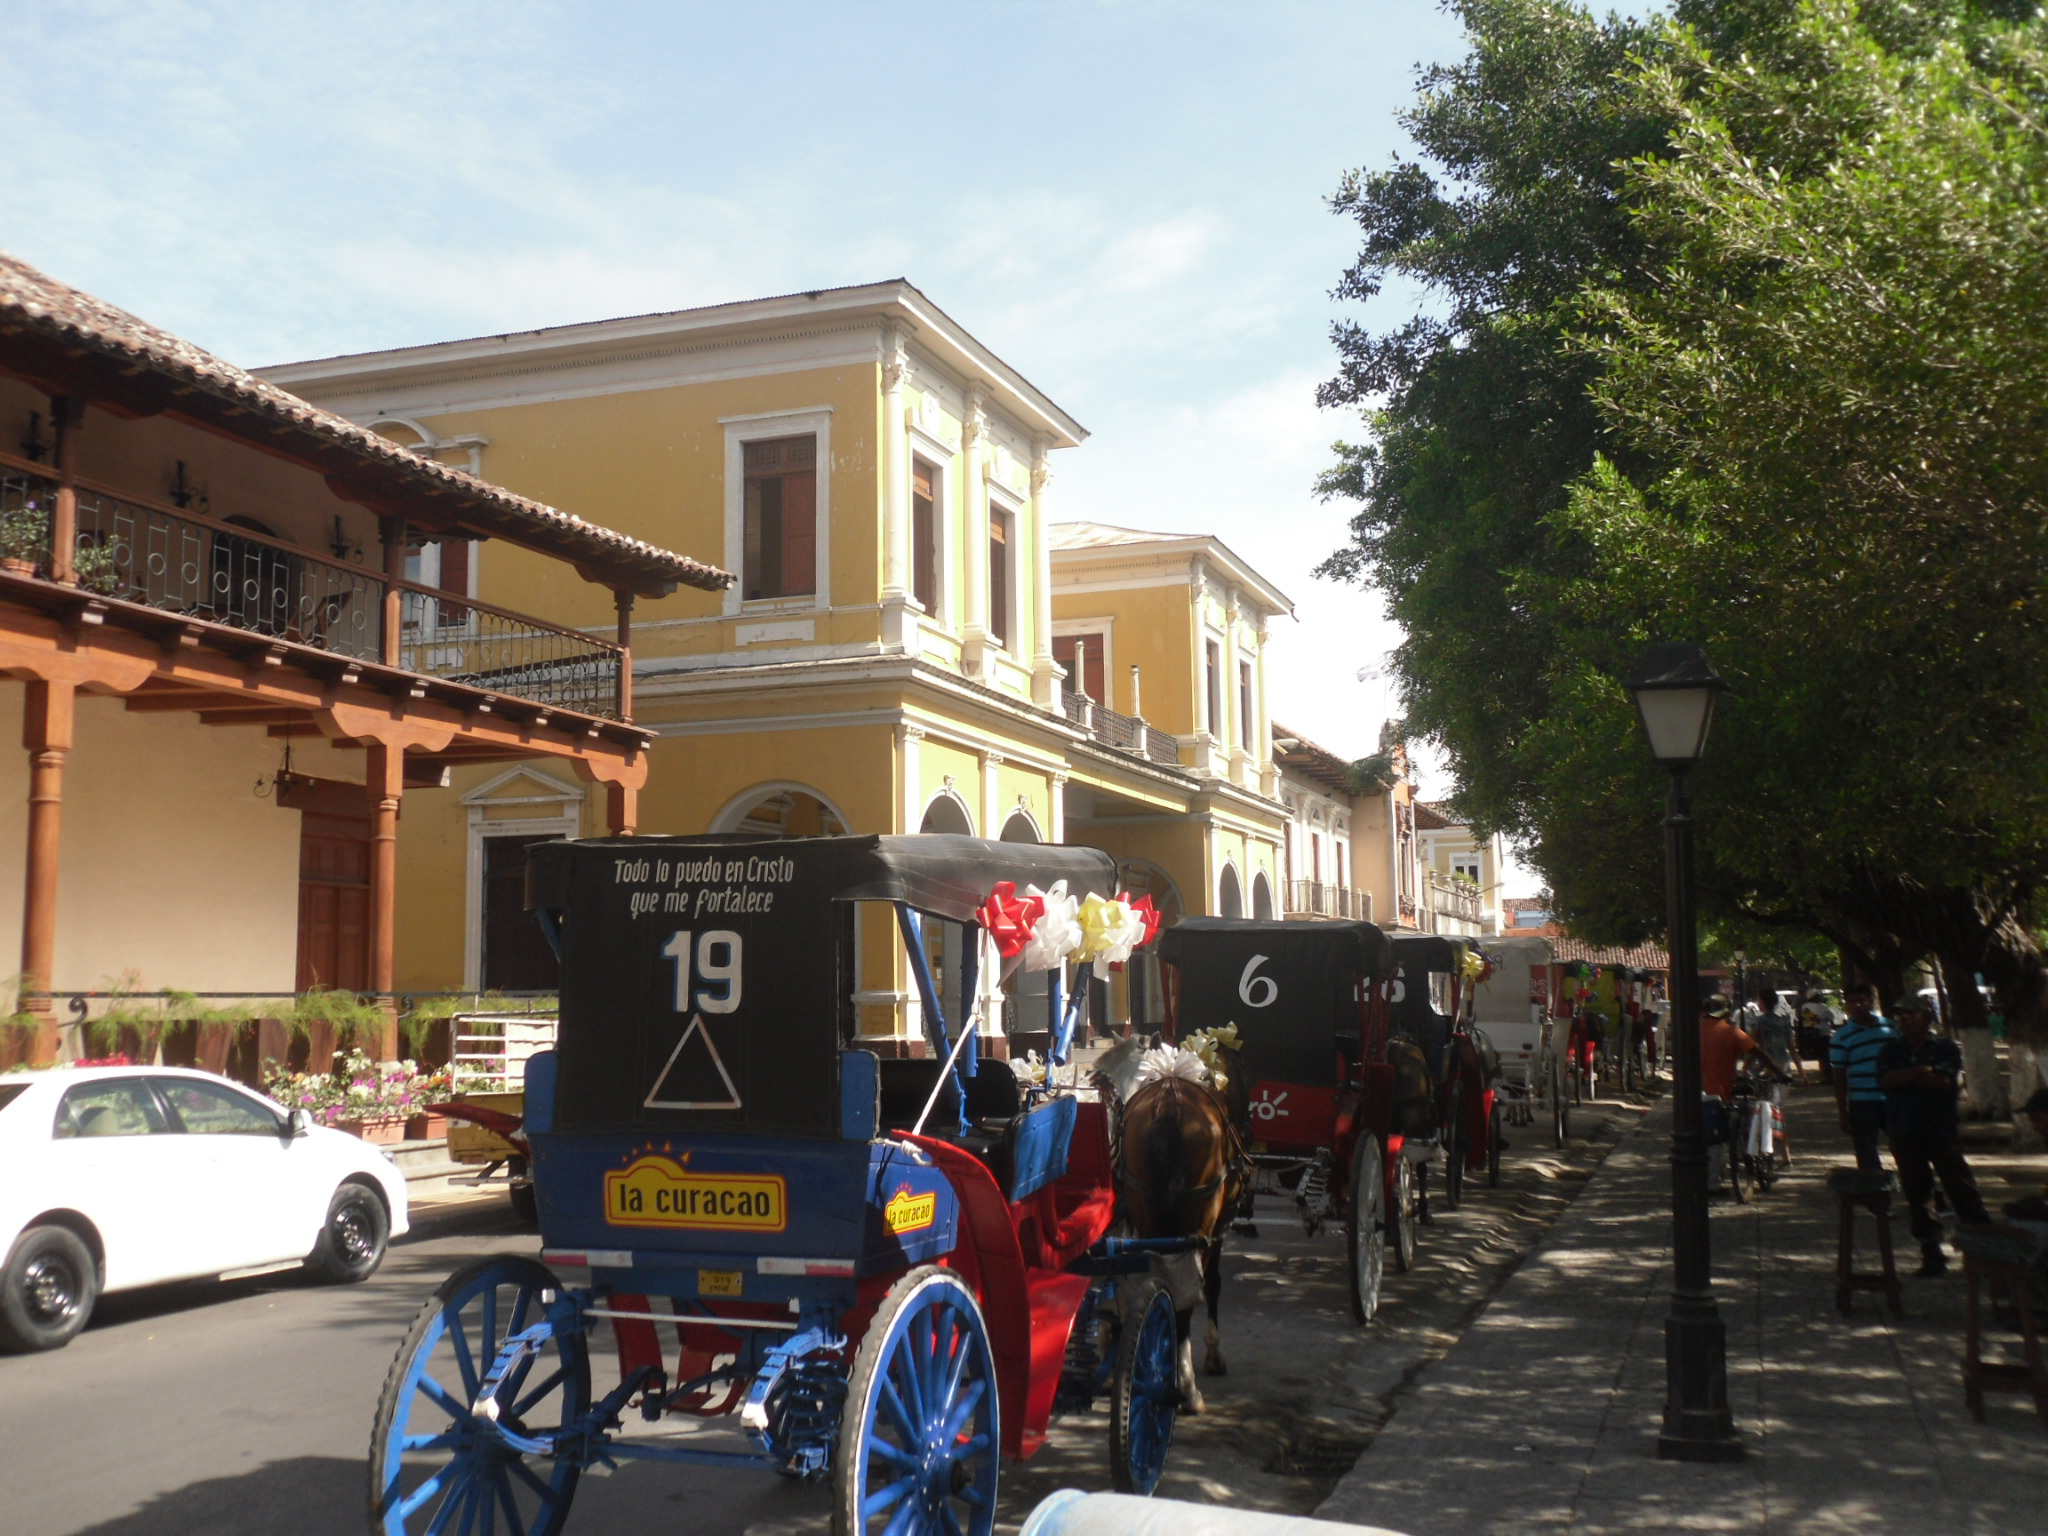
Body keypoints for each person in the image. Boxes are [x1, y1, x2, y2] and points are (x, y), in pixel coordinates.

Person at [1875, 995, 1990, 1275]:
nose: (1905, 1021)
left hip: (1941, 1131)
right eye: (1900, 1016)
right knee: (1918, 1197)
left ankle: (1985, 1256)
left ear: (1926, 1018)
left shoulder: (1945, 1048)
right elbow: (1885, 1080)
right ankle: (1932, 1256)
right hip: (1904, 1131)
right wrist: (1918, 1071)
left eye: (1911, 1015)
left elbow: (1944, 1082)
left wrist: (1907, 1078)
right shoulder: (1890, 1050)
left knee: (1963, 1192)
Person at [1830, 983, 1897, 1171]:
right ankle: (1875, 1194)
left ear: (1871, 1002)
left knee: (1905, 1146)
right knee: (1866, 1152)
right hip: (1862, 1101)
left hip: (1892, 1097)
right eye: (1851, 1002)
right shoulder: (1841, 1037)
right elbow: (1839, 1076)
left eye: (1861, 1001)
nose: (1857, 1005)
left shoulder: (1891, 1028)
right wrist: (1843, 1111)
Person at [1748, 985, 1798, 1165]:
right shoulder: (1784, 1022)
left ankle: (1765, 1151)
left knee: (1763, 1112)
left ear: (1762, 1002)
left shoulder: (1758, 1022)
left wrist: (1744, 1067)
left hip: (1765, 1071)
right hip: (1784, 1069)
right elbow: (1792, 1048)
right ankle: (1785, 1154)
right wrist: (1801, 1072)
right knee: (1779, 1111)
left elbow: (1752, 1048)